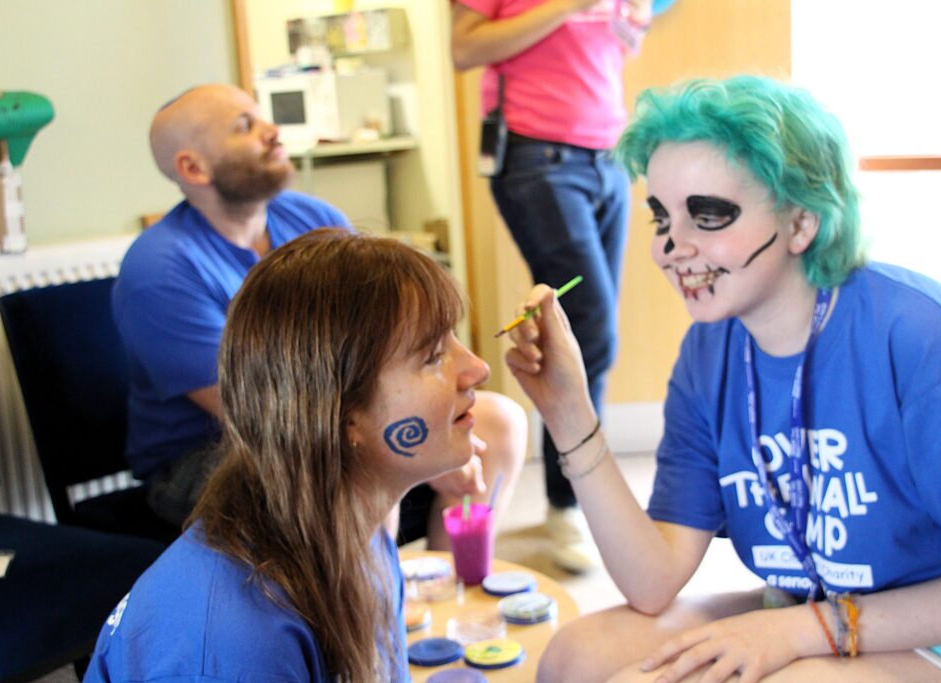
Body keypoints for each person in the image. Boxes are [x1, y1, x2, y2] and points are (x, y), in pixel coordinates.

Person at [505, 75, 941, 682]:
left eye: (708, 215)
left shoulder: (923, 337)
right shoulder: (709, 350)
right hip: (807, 608)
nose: (672, 247)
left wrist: (802, 632)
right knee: (576, 659)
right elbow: (654, 580)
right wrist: (570, 416)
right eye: (661, 217)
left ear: (801, 223)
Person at [113, 83, 524, 548]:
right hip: (209, 451)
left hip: (334, 411)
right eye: (246, 127)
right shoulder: (159, 271)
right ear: (193, 167)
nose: (273, 131)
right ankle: (372, 612)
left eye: (263, 117)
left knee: (496, 422)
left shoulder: (312, 217)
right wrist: (425, 444)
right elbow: (261, 411)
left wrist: (440, 431)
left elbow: (379, 342)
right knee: (346, 462)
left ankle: (444, 597)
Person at [84, 228, 486, 681]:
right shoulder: (240, 642)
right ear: (339, 413)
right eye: (433, 355)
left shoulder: (360, 537)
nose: (478, 368)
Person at [450, 0, 650, 573]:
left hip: (607, 156)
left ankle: (575, 501)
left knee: (592, 334)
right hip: (537, 157)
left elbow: (616, 43)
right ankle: (571, 502)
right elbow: (466, 48)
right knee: (589, 328)